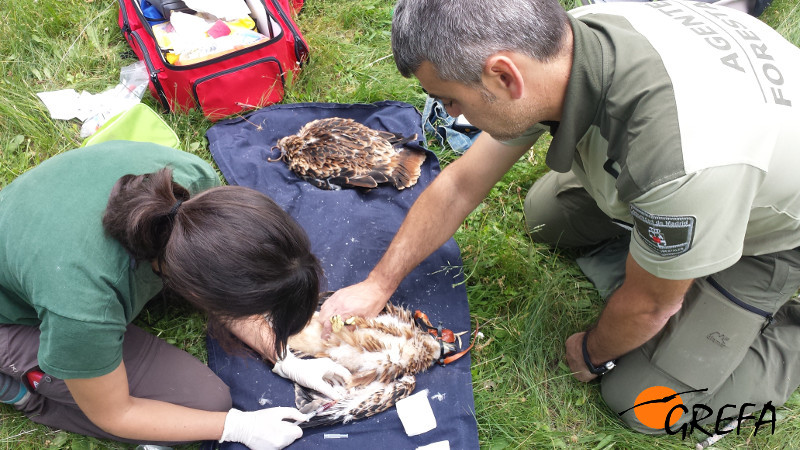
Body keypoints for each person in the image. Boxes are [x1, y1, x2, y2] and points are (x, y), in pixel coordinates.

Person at [319, 0, 800, 434]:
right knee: (546, 217)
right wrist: (379, 284)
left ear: (504, 77)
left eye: (452, 102)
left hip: (768, 233)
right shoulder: (570, 40)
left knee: (643, 403)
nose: (453, 116)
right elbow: (461, 184)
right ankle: (665, 246)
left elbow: (652, 305)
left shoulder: (682, 162)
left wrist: (592, 351)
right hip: (701, 171)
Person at [0, 141, 349, 448]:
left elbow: (226, 278)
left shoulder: (195, 191)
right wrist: (235, 426)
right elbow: (115, 413)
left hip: (40, 227)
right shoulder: (84, 302)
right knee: (203, 404)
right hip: (14, 314)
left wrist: (283, 355)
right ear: (193, 289)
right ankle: (20, 392)